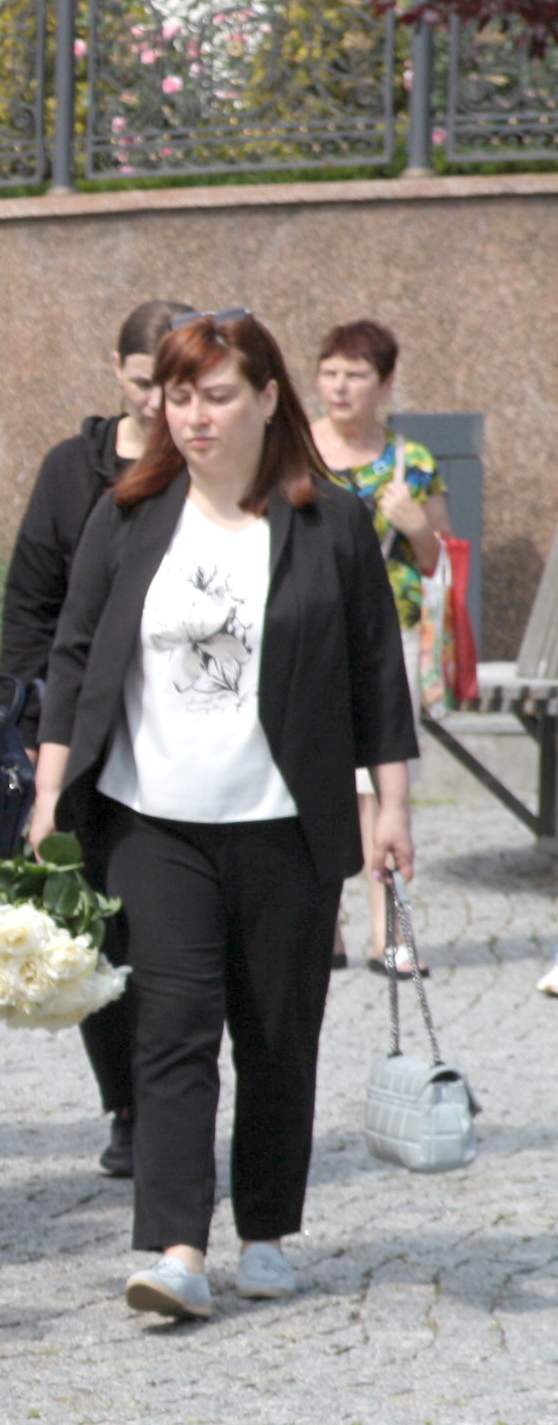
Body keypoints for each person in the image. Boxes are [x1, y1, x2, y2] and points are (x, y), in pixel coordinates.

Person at [33, 309, 415, 1321]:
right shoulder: (129, 512)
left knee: (279, 1031)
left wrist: (391, 807)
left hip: (286, 819)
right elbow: (75, 656)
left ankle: (267, 1231)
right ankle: (177, 1248)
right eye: (178, 395)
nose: (194, 415)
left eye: (216, 395)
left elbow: (377, 672)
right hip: (152, 819)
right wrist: (49, 793)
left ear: (267, 398)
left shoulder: (330, 522)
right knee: (172, 1026)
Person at [1, 298, 189, 1178]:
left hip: (182, 731)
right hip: (83, 738)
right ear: (117, 372)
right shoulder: (71, 471)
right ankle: (128, 1106)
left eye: (175, 383)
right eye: (144, 382)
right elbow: (32, 609)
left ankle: (177, 1098)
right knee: (100, 932)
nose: (157, 402)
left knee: (176, 936)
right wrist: (33, 729)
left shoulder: (213, 466)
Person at [309, 319, 438, 975]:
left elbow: (435, 558)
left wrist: (415, 526)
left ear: (385, 384)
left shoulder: (413, 462)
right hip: (311, 636)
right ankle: (322, 926)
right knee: (315, 772)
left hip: (388, 636)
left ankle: (387, 930)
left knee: (381, 782)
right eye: (330, 373)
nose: (340, 387)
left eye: (355, 375)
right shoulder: (294, 452)